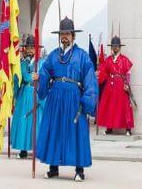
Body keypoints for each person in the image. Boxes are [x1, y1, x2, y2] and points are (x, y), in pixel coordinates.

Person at [35, 17, 98, 182]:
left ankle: (79, 170)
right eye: (62, 34)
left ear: (73, 36)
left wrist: (87, 101)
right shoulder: (54, 56)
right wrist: (39, 78)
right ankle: (53, 168)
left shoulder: (82, 56)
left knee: (76, 132)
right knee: (54, 130)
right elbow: (45, 73)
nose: (65, 37)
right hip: (55, 98)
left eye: (68, 34)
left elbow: (90, 80)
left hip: (73, 98)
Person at [10, 34, 42, 159]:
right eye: (28, 47)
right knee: (24, 120)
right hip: (25, 94)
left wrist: (39, 77)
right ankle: (23, 150)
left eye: (32, 48)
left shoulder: (41, 62)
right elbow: (23, 77)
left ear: (36, 49)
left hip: (37, 93)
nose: (30, 50)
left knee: (36, 122)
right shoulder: (22, 63)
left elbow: (43, 76)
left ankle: (37, 149)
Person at [96, 35, 134, 136]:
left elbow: (128, 73)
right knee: (109, 106)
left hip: (121, 84)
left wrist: (127, 84)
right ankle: (109, 128)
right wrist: (98, 75)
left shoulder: (124, 60)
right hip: (110, 85)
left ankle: (128, 129)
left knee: (124, 106)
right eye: (113, 46)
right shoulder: (108, 60)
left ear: (120, 47)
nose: (115, 48)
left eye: (117, 46)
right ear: (111, 47)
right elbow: (103, 73)